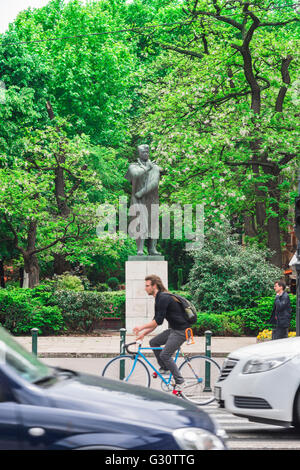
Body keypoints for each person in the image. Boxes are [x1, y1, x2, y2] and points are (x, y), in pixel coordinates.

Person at [133, 274, 190, 391]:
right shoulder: (158, 298)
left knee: (165, 354)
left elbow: (156, 321)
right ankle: (165, 368)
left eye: (147, 285)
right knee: (154, 342)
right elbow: (157, 321)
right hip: (174, 329)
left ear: (154, 286)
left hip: (181, 331)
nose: (145, 288)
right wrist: (144, 334)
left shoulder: (163, 298)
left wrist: (141, 327)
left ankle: (180, 381)